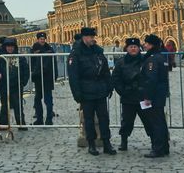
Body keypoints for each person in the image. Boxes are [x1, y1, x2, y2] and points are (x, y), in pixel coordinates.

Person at [67, 26, 115, 155]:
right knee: (88, 119)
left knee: (104, 118)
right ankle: (91, 144)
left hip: (100, 90)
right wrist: (77, 93)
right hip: (86, 91)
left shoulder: (98, 51)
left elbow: (105, 71)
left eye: (93, 37)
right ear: (84, 37)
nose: (92, 39)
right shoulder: (76, 53)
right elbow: (73, 76)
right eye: (90, 37)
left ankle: (106, 143)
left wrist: (109, 86)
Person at [111, 38, 146, 152]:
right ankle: (124, 142)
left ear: (139, 48)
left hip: (143, 97)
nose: (133, 48)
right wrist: (122, 91)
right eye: (131, 47)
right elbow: (116, 79)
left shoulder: (145, 60)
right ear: (127, 48)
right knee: (126, 121)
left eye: (135, 46)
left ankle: (156, 142)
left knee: (149, 120)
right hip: (128, 97)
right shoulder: (121, 62)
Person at [141, 34, 171, 158]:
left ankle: (157, 148)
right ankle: (165, 147)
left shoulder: (152, 59)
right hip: (160, 93)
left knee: (156, 123)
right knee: (161, 121)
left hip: (154, 95)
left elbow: (151, 79)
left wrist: (147, 96)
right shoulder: (161, 57)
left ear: (151, 45)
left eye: (146, 43)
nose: (144, 45)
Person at [0, 38, 29, 129]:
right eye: (8, 46)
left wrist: (22, 82)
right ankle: (3, 124)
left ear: (14, 47)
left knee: (18, 106)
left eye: (11, 46)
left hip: (16, 85)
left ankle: (21, 124)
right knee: (5, 105)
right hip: (4, 85)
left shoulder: (20, 58)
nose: (10, 48)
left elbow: (26, 70)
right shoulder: (1, 58)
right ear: (5, 47)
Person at [30, 32, 57, 125]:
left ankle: (49, 119)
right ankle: (39, 119)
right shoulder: (34, 49)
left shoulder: (49, 49)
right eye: (41, 39)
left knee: (48, 99)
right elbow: (31, 63)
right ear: (37, 39)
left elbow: (54, 63)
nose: (42, 40)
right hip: (38, 78)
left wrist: (55, 75)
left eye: (43, 39)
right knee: (38, 99)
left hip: (47, 78)